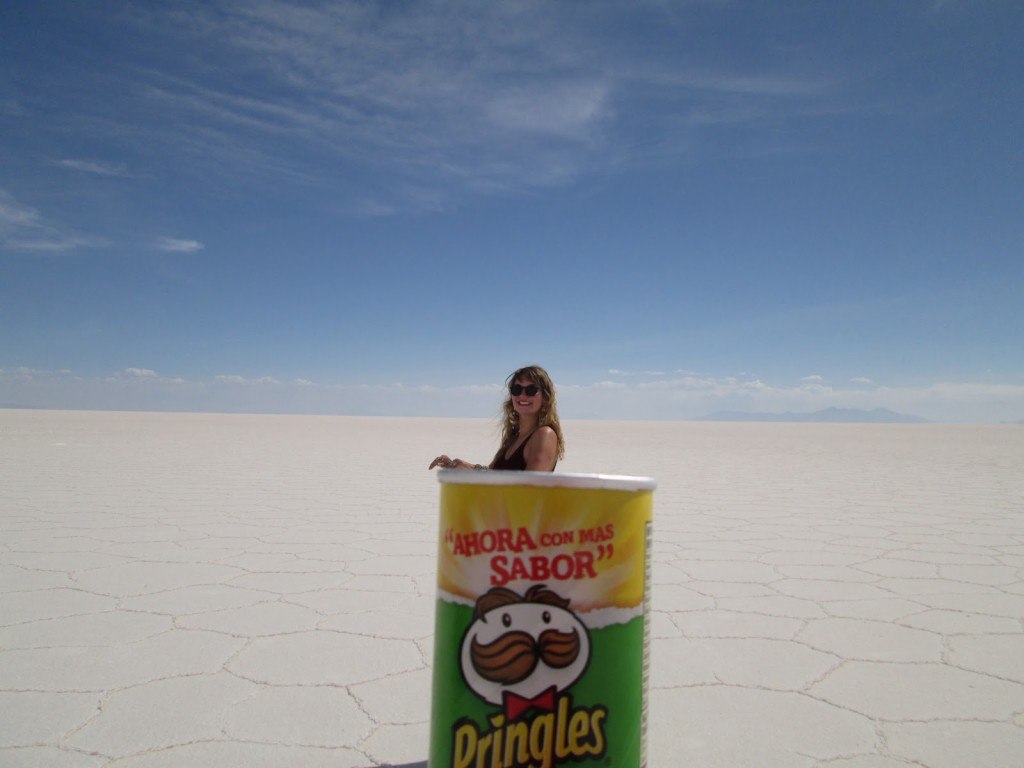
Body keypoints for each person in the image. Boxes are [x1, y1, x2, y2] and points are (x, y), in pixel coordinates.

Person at [429, 365, 565, 472]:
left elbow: (529, 486)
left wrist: (473, 470)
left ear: (546, 398)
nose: (522, 396)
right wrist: (460, 466)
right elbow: (496, 476)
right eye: (517, 389)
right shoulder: (514, 436)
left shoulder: (544, 434)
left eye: (531, 390)